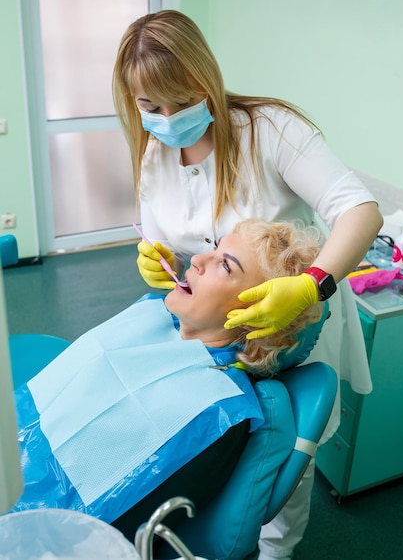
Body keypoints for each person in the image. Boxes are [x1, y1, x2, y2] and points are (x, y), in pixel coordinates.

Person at [112, 9, 384, 559]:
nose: (166, 117)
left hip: (292, 325)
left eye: (180, 99)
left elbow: (360, 211)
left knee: (285, 462)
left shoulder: (270, 130)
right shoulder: (153, 154)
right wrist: (154, 261)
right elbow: (166, 244)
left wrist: (311, 286)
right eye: (150, 106)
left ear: (205, 77)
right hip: (217, 333)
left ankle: (277, 550)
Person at [11, 219, 327, 546]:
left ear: (261, 317)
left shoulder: (217, 413)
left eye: (225, 266)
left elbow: (103, 527)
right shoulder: (152, 315)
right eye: (215, 248)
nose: (198, 260)